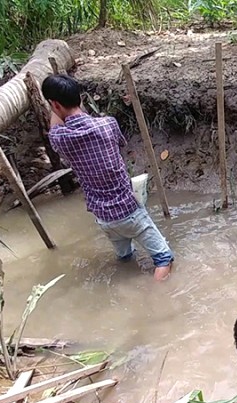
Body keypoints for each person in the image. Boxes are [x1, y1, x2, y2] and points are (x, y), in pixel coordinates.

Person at [41, 74, 174, 281]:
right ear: (81, 98)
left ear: (55, 105)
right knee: (164, 259)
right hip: (129, 210)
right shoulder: (108, 124)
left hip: (104, 218)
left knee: (125, 258)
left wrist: (53, 107)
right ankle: (155, 299)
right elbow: (120, 144)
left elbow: (55, 126)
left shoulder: (60, 138)